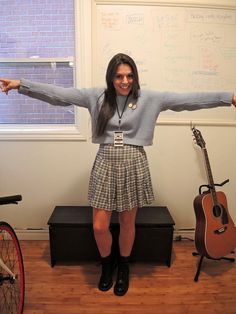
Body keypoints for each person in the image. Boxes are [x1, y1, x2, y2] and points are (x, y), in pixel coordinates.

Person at [1, 53, 236, 296]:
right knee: (100, 226)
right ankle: (107, 265)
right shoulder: (96, 97)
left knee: (127, 223)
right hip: (105, 162)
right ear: (111, 78)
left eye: (129, 76)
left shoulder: (150, 98)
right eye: (119, 76)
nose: (125, 81)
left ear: (135, 77)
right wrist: (21, 85)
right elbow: (60, 95)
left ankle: (123, 266)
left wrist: (227, 97)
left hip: (134, 163)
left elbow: (188, 100)